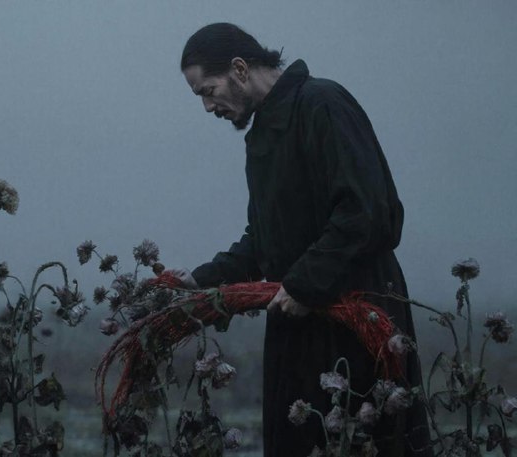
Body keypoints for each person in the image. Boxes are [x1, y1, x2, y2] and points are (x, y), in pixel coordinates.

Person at [175, 23, 431, 456]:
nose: (207, 107)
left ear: (240, 69)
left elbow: (367, 211)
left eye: (208, 90)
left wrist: (304, 284)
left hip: (357, 314)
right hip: (298, 323)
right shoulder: (262, 134)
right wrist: (201, 281)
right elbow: (265, 239)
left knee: (363, 439)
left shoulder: (323, 104)